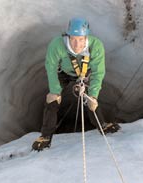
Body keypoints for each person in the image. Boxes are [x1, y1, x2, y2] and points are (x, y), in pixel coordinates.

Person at [32, 18, 120, 151]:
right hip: (63, 73)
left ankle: (102, 125)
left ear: (86, 37)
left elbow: (98, 73)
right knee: (52, 100)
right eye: (73, 39)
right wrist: (55, 91)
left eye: (80, 39)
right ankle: (45, 137)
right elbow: (51, 68)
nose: (76, 44)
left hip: (85, 74)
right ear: (67, 36)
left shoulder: (95, 46)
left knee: (91, 99)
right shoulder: (57, 45)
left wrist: (94, 96)